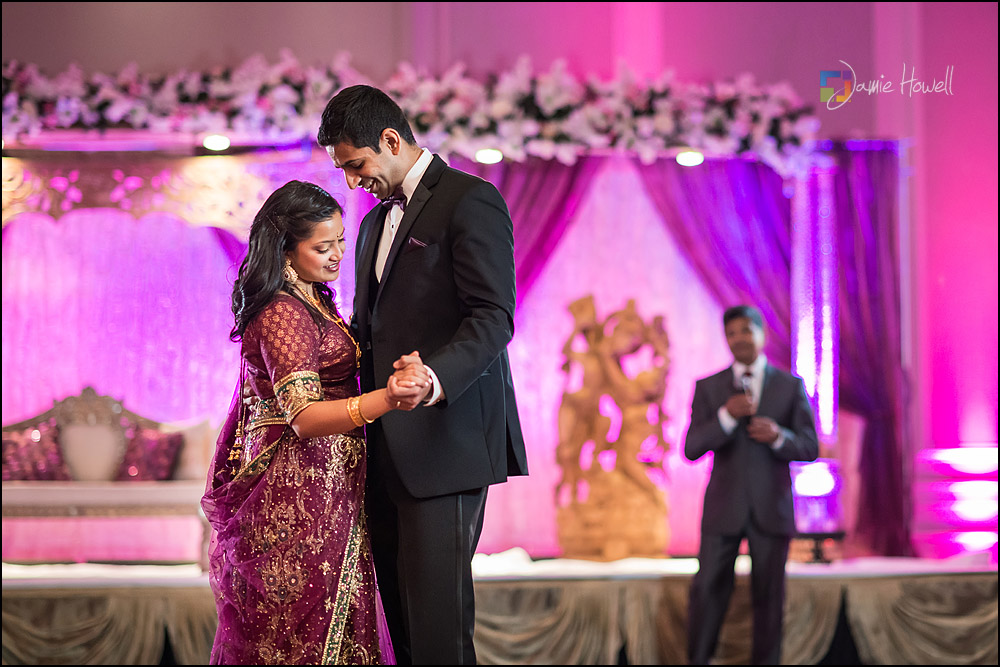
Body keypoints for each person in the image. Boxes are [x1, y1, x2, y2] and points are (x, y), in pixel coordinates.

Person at [316, 84, 529, 665]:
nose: (353, 182)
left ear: (390, 139)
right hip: (381, 446)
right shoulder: (367, 226)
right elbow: (368, 329)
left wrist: (432, 376)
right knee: (399, 632)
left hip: (446, 442)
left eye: (357, 165)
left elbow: (494, 316)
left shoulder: (470, 200)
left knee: (439, 634)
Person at [202, 180, 431, 665]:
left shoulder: (313, 297)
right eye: (323, 247)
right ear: (285, 250)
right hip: (293, 496)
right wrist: (386, 399)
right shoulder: (282, 312)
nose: (338, 255)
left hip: (326, 489)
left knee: (336, 622)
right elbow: (304, 418)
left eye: (341, 241)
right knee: (295, 633)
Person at [684, 305, 818, 665]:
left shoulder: (791, 387)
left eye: (746, 330)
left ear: (762, 334)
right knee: (707, 593)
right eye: (732, 333)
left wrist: (779, 437)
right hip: (722, 510)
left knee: (769, 599)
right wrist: (726, 417)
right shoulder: (709, 388)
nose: (739, 338)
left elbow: (809, 447)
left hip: (770, 509)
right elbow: (691, 448)